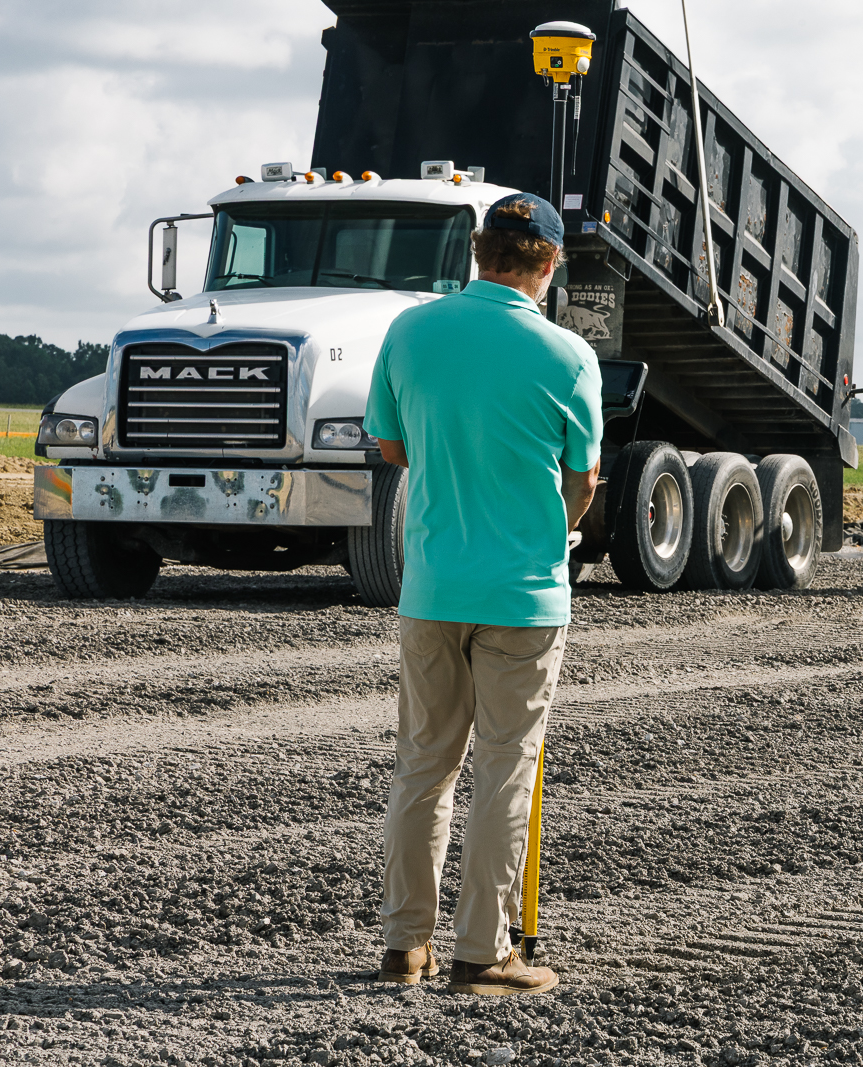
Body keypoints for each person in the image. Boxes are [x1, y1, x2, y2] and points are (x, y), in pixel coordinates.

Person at [363, 193, 603, 996]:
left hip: (431, 587)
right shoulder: (569, 355)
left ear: (476, 252)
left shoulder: (409, 332)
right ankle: (481, 953)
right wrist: (550, 528)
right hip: (525, 596)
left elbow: (392, 442)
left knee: (422, 768)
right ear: (551, 261)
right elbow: (583, 476)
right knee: (506, 770)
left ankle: (404, 948)